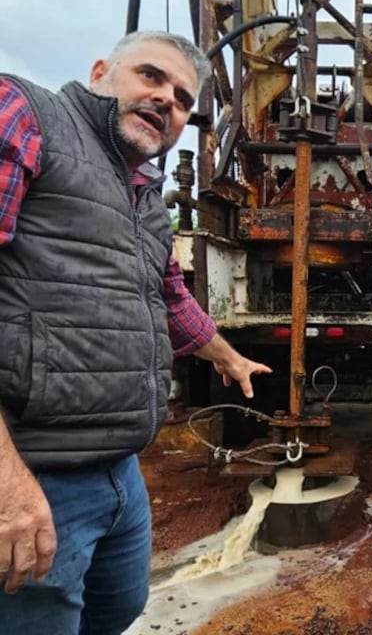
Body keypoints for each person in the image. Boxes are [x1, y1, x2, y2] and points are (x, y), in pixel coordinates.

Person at [0, 31, 272, 634]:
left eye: (182, 98)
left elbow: (169, 294)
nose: (166, 100)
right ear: (101, 71)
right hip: (32, 471)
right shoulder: (26, 114)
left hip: (120, 470)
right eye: (151, 76)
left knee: (118, 609)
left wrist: (229, 358)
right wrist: (7, 484)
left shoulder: (145, 195)